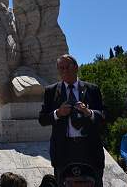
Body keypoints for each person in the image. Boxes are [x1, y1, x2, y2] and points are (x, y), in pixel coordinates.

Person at [38, 54, 105, 187]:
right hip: (64, 150)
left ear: (76, 67)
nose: (64, 71)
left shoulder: (92, 89)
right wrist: (58, 113)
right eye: (61, 68)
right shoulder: (51, 91)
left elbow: (103, 115)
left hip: (89, 148)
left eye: (67, 67)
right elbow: (42, 119)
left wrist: (89, 112)